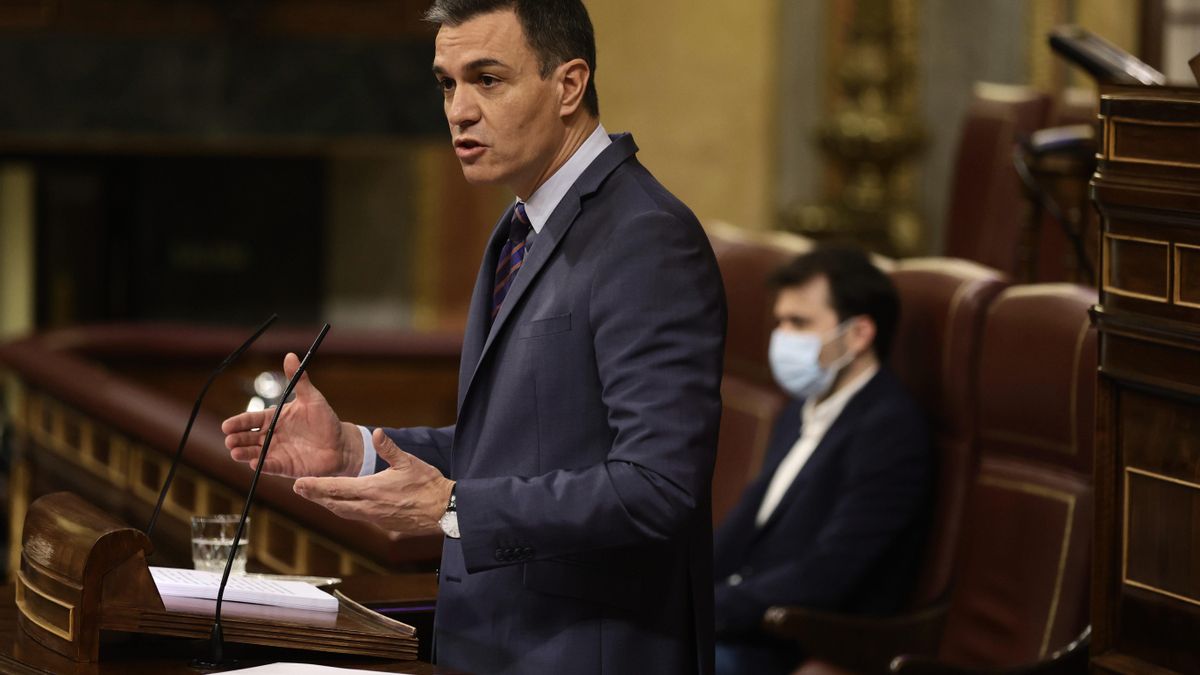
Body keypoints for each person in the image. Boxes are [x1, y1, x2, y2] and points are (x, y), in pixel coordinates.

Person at [221, 1, 727, 673]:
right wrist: (356, 450)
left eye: (487, 79)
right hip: (496, 642)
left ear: (568, 86)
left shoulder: (645, 237)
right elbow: (521, 445)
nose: (459, 109)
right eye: (447, 83)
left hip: (587, 650)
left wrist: (454, 506)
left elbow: (658, 485)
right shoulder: (519, 225)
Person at [712, 246, 933, 675]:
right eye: (780, 321)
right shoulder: (800, 407)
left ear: (858, 335)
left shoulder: (891, 429)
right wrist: (679, 593)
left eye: (799, 323)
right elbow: (750, 520)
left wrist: (712, 609)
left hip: (804, 639)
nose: (782, 336)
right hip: (748, 619)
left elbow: (831, 571)